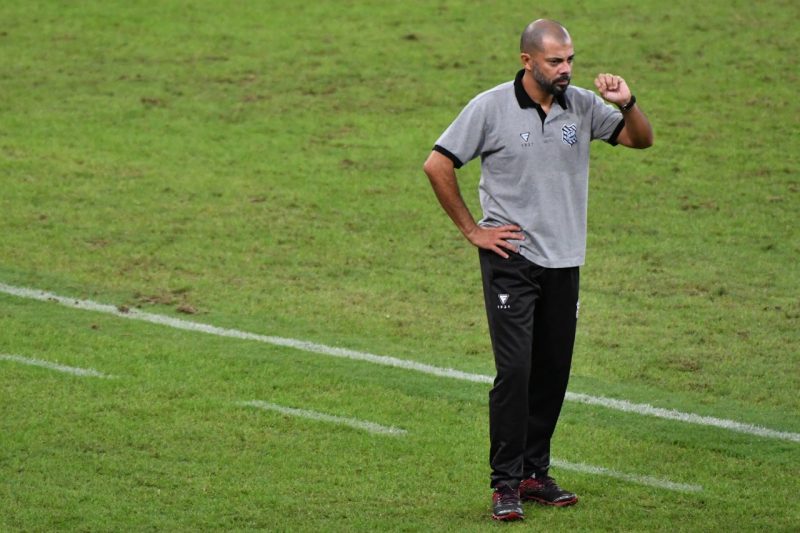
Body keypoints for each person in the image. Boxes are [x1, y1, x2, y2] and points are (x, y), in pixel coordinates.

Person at [423, 19, 653, 521]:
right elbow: (437, 164)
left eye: (570, 59)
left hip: (565, 259)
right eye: (555, 61)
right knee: (516, 372)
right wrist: (473, 231)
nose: (566, 69)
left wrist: (627, 103)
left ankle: (534, 474)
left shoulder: (583, 106)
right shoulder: (490, 108)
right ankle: (504, 484)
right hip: (512, 259)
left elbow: (641, 140)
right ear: (527, 61)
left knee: (551, 372)